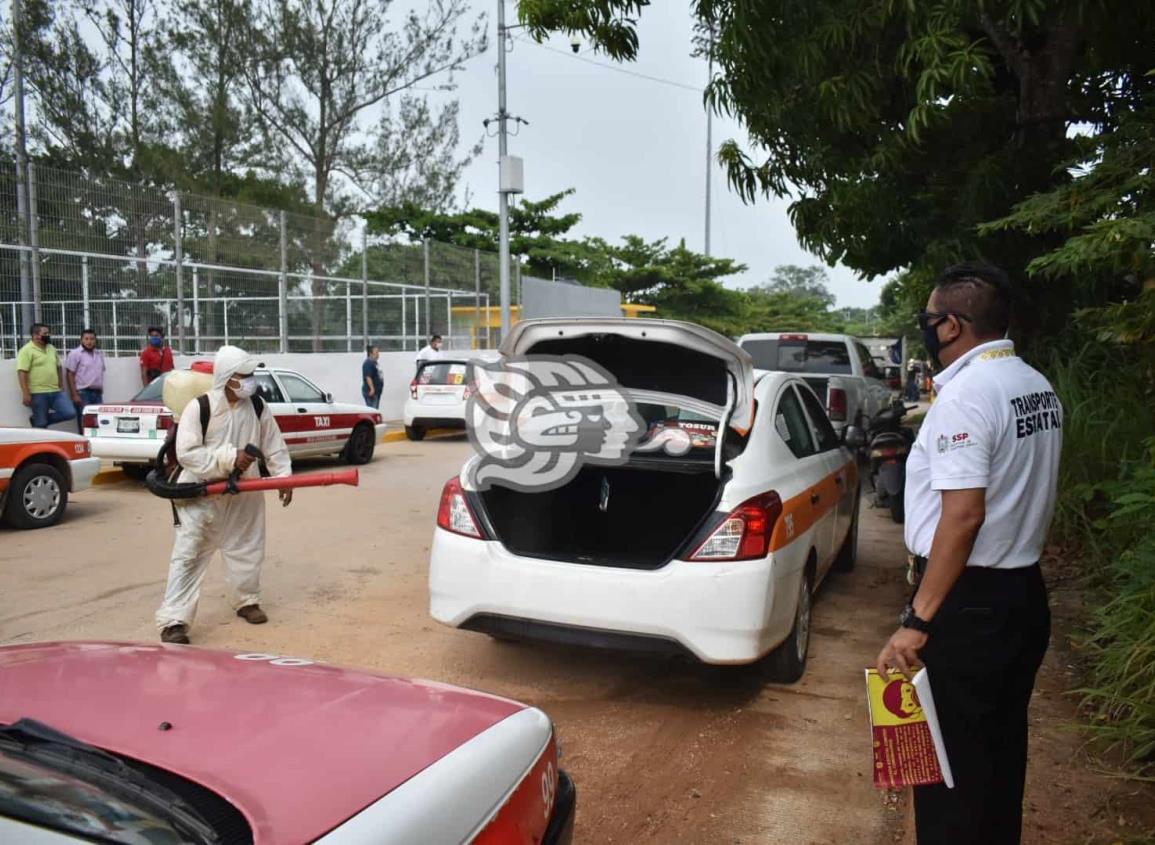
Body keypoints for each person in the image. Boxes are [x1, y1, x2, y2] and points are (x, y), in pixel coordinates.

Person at [875, 262, 1061, 845]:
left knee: (949, 776)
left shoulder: (966, 396)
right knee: (1000, 763)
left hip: (969, 602)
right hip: (1022, 592)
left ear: (952, 326)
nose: (929, 332)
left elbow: (964, 514)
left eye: (930, 321)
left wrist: (918, 619)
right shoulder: (1034, 385)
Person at [155, 345, 293, 645]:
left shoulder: (257, 407)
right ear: (227, 378)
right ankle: (174, 621)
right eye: (244, 376)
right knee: (189, 556)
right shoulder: (200, 408)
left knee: (247, 547)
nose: (251, 381)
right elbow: (187, 453)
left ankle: (247, 600)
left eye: (251, 375)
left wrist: (283, 477)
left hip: (245, 493)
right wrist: (230, 458)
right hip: (201, 494)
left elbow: (274, 444)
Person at [17, 323, 77, 429]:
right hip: (38, 393)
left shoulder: (51, 348)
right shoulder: (26, 350)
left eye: (48, 333)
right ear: (35, 335)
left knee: (70, 413)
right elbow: (22, 372)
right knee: (41, 425)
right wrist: (26, 393)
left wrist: (61, 385)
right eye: (45, 333)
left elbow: (58, 366)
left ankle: (38, 419)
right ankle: (40, 422)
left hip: (56, 392)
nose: (48, 335)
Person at [65, 328, 106, 433]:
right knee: (84, 421)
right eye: (86, 339)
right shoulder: (75, 354)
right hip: (83, 393)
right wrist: (74, 394)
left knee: (98, 421)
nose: (89, 341)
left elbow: (101, 371)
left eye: (92, 339)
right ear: (81, 340)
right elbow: (70, 374)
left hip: (97, 393)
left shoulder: (99, 354)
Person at [362, 345, 384, 409]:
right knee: (372, 410)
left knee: (375, 409)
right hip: (372, 392)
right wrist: (372, 388)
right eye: (376, 352)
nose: (378, 354)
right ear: (370, 354)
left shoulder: (375, 363)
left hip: (377, 392)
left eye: (378, 352)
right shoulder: (368, 363)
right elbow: (368, 377)